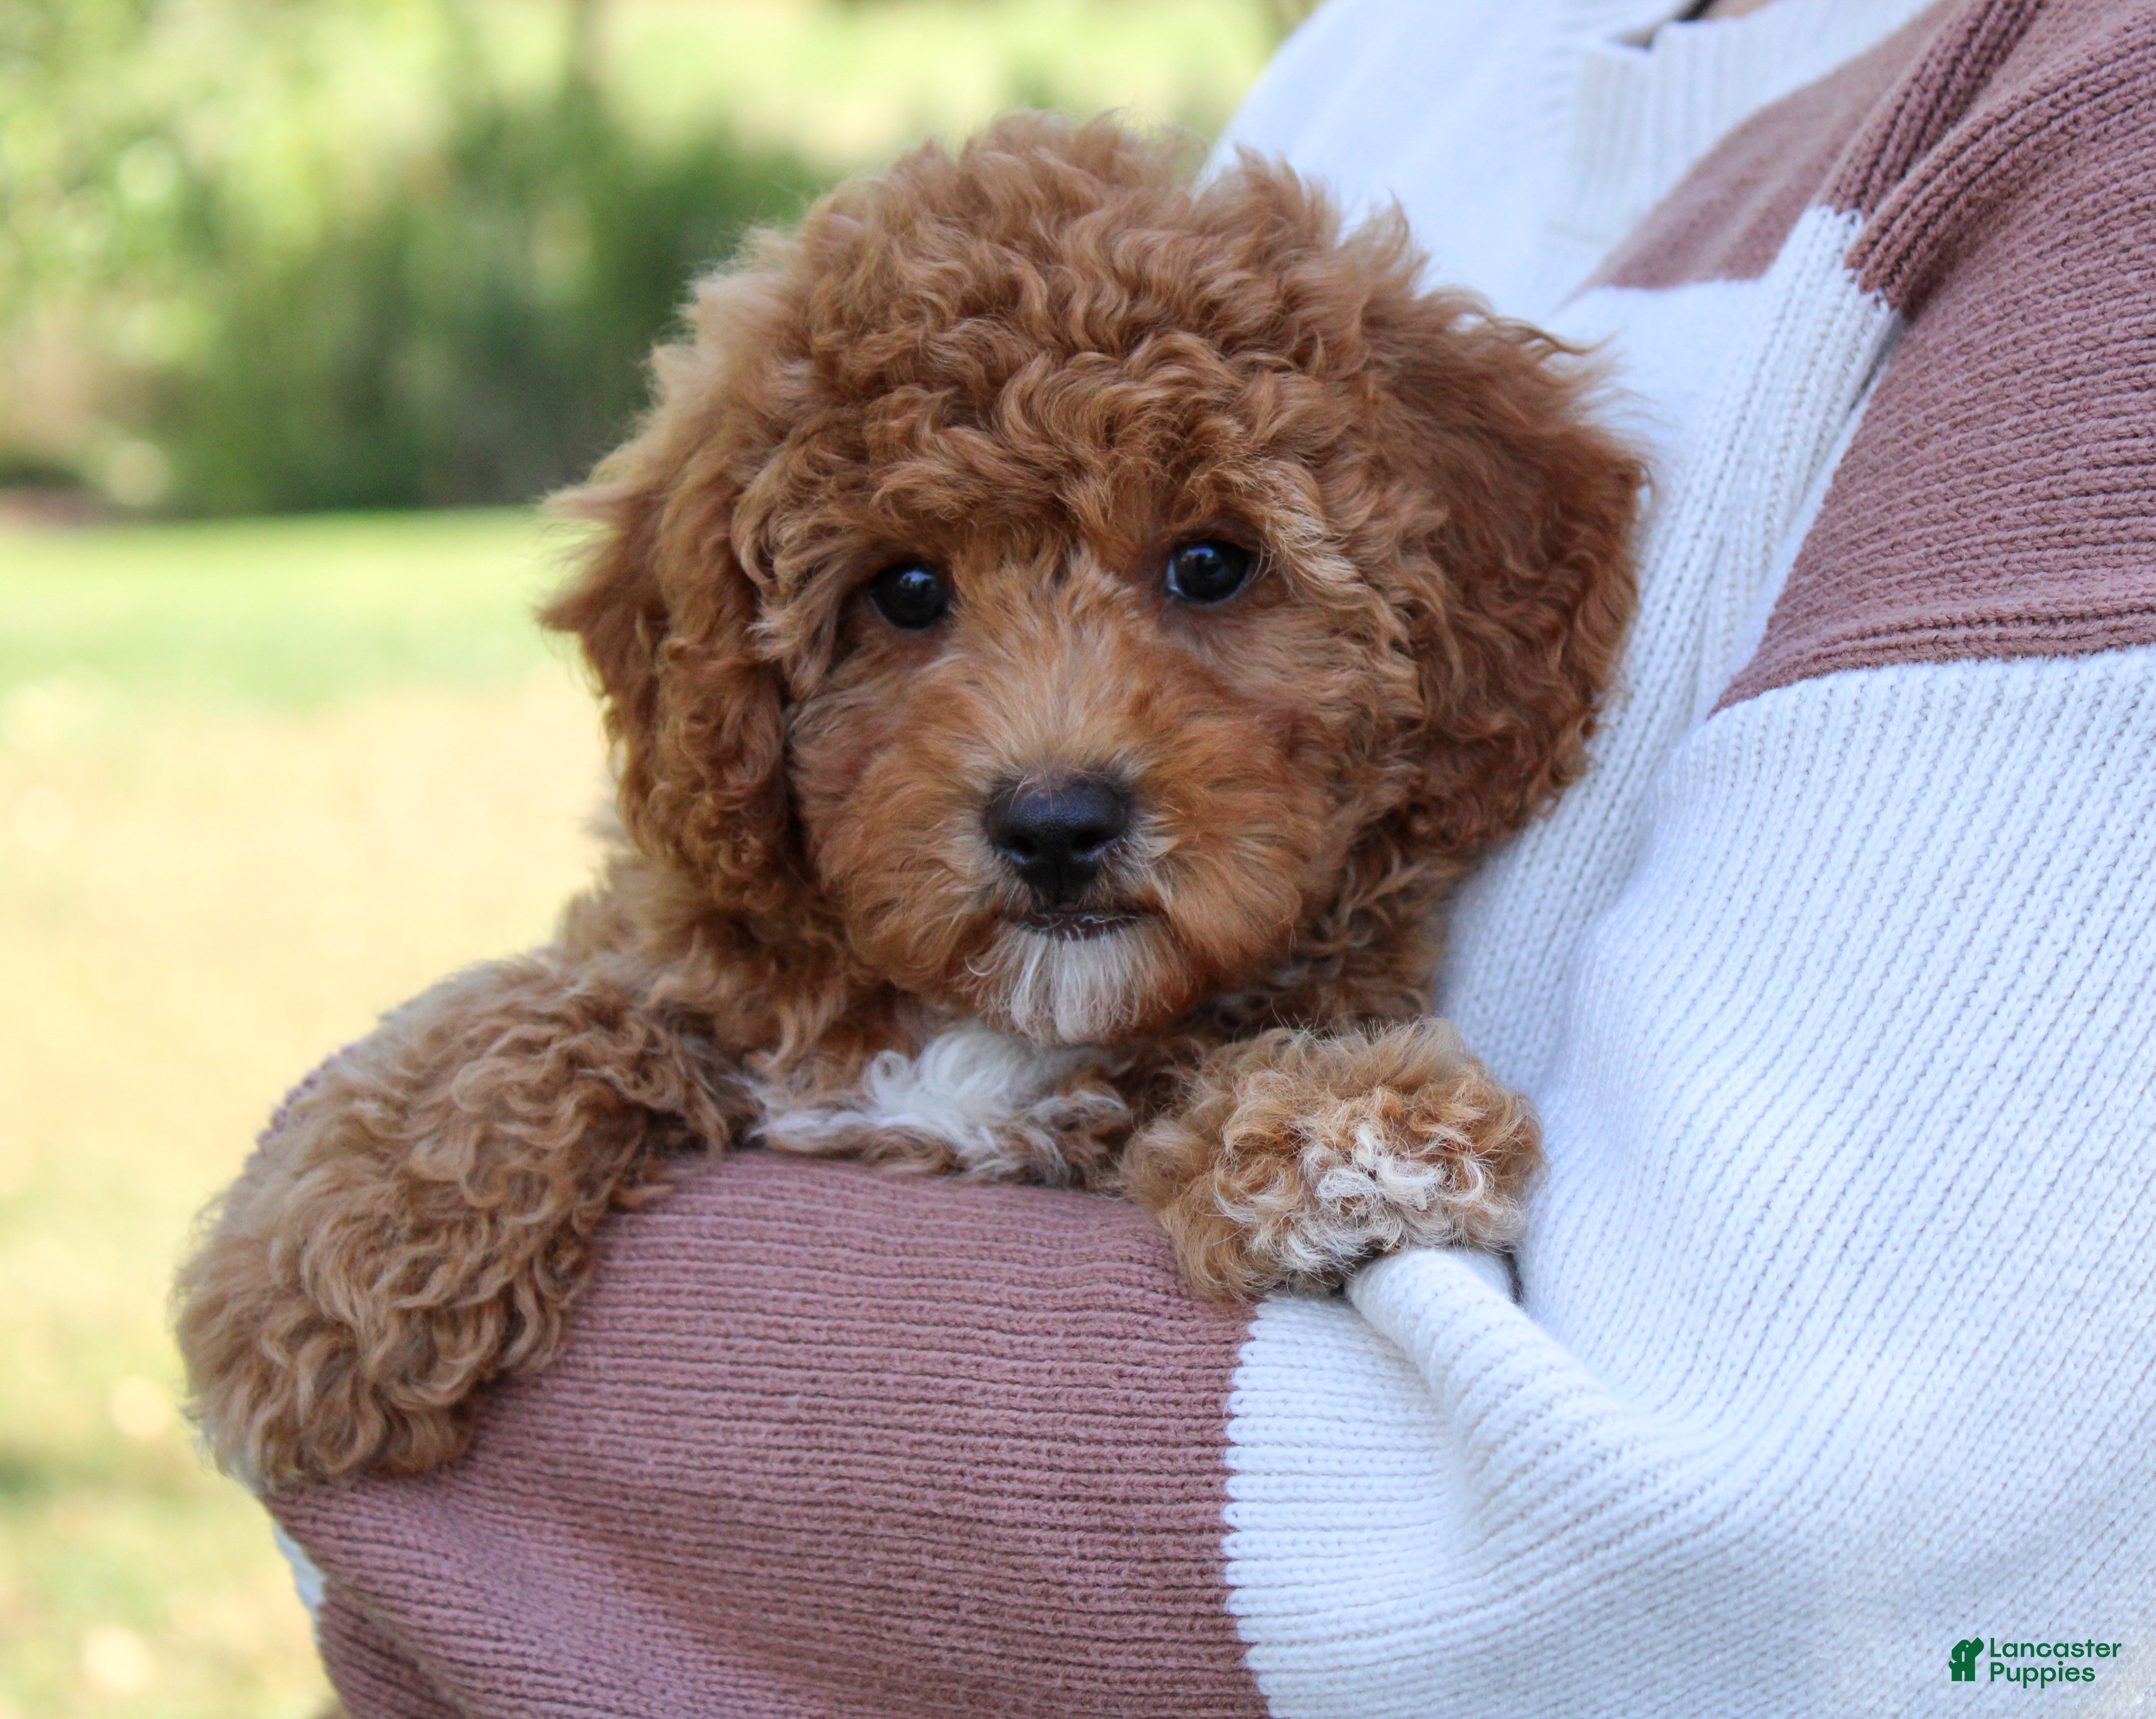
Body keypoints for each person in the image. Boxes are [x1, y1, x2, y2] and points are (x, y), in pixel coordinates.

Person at [264, 0, 2156, 1711]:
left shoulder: (2085, 130)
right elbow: (310, 1368)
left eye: (1207, 570)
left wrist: (537, 1463)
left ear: (1445, 604)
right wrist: (525, 1092)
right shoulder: (1404, 47)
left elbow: (1746, 1590)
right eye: (903, 598)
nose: (1054, 758)